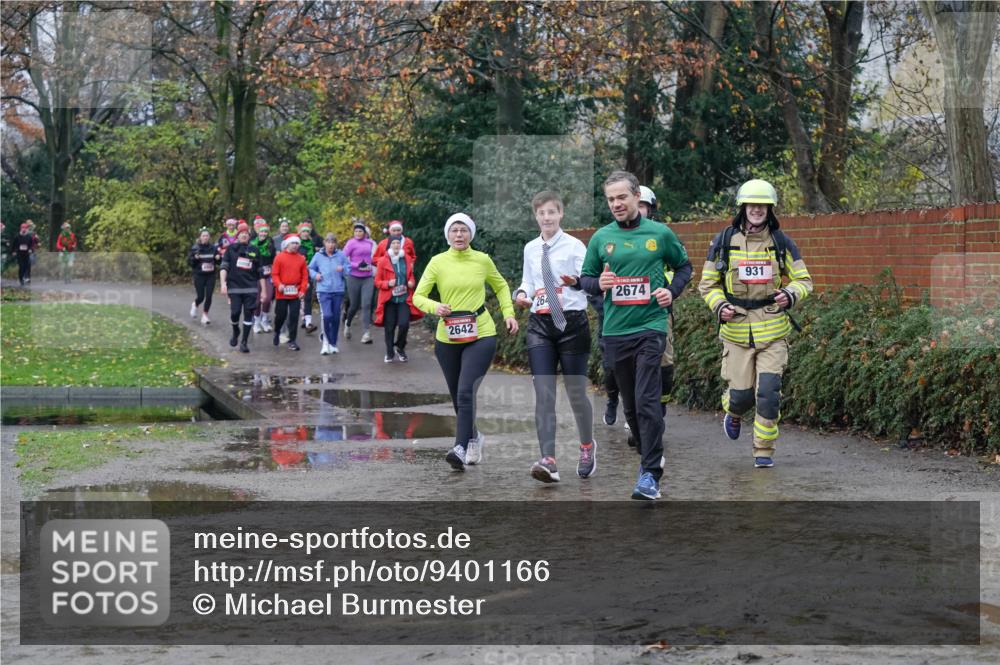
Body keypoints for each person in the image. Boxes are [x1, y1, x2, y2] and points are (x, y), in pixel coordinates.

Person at [579, 170, 692, 500]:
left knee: (646, 401)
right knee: (631, 406)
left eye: (621, 197)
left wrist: (672, 291)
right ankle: (648, 455)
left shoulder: (660, 233)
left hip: (651, 327)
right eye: (610, 199)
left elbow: (685, 267)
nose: (616, 203)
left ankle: (650, 474)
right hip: (616, 331)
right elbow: (586, 279)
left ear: (635, 198)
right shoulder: (601, 238)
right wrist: (597, 284)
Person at [698, 179, 813, 468]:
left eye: (763, 205)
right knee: (741, 397)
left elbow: (804, 280)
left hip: (773, 330)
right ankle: (732, 411)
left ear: (770, 209)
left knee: (768, 394)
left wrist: (790, 294)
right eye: (752, 204)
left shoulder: (781, 243)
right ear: (743, 207)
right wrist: (720, 305)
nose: (757, 210)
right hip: (736, 332)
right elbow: (707, 285)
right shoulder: (723, 241)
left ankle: (763, 450)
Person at [413, 213, 518, 471]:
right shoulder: (438, 262)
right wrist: (435, 307)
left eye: (463, 230)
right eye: (454, 230)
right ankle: (474, 437)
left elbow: (501, 286)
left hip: (480, 332)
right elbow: (418, 296)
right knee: (457, 395)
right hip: (447, 336)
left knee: (465, 391)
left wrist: (509, 314)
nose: (459, 235)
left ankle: (459, 447)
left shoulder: (482, 260)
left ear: (470, 234)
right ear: (448, 235)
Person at [513, 191, 596, 483]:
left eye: (551, 212)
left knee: (575, 394)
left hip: (571, 324)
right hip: (540, 324)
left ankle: (587, 445)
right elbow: (528, 280)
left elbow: (589, 283)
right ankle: (548, 459)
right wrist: (521, 294)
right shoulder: (531, 248)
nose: (546, 218)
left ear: (561, 214)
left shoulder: (575, 247)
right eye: (541, 213)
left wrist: (574, 284)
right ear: (536, 216)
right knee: (544, 394)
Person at [374, 236, 423, 363]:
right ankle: (389, 352)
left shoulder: (406, 258)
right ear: (390, 246)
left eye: (398, 243)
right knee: (389, 327)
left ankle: (400, 348)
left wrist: (412, 282)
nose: (396, 245)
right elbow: (377, 282)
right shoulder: (383, 261)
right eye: (393, 243)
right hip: (389, 299)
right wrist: (388, 284)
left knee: (404, 324)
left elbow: (411, 275)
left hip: (404, 298)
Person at [219, 222, 264, 353]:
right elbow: (224, 267)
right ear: (238, 236)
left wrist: (264, 291)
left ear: (249, 236)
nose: (244, 235)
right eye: (241, 233)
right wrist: (223, 283)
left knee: (248, 314)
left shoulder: (255, 250)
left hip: (251, 287)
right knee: (235, 313)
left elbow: (260, 272)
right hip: (235, 287)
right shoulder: (231, 249)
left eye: (246, 233)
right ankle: (235, 330)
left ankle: (244, 342)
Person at [309, 232, 350, 355]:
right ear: (325, 243)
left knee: (336, 317)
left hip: (338, 290)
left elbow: (349, 269)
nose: (331, 245)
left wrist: (343, 269)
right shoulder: (318, 256)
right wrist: (315, 275)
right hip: (323, 290)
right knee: (326, 316)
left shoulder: (341, 255)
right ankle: (325, 342)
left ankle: (333, 343)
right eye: (328, 242)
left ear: (336, 244)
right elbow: (310, 268)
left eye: (333, 242)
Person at [271, 234, 309, 351]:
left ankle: (292, 340)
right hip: (282, 292)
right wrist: (279, 284)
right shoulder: (279, 257)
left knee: (294, 316)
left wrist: (303, 290)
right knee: (280, 316)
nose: (295, 245)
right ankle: (277, 332)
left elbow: (305, 277)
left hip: (295, 292)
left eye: (297, 243)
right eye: (293, 243)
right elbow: (275, 274)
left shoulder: (301, 258)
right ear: (287, 244)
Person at [342, 220, 376, 344]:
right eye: (356, 231)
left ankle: (366, 332)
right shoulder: (351, 243)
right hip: (354, 277)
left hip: (367, 278)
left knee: (366, 305)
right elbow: (343, 258)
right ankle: (348, 323)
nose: (357, 233)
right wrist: (357, 265)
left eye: (360, 231)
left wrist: (371, 266)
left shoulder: (370, 243)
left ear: (364, 233)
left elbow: (375, 258)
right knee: (354, 305)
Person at [250, 216, 276, 333]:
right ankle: (256, 322)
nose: (264, 233)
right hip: (255, 275)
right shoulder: (252, 244)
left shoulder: (270, 243)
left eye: (266, 231)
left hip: (267, 274)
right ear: (258, 232)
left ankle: (264, 320)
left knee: (267, 298)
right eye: (262, 231)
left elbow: (274, 259)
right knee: (257, 300)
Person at [189, 227, 218, 325]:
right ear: (200, 237)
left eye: (207, 236)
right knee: (201, 296)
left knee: (209, 296)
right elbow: (190, 262)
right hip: (199, 275)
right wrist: (195, 258)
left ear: (209, 237)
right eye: (203, 236)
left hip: (211, 275)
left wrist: (218, 258)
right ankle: (195, 304)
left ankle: (205, 315)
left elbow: (219, 260)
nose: (205, 237)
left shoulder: (213, 248)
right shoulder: (195, 248)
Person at [297, 221, 319, 333]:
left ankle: (308, 323)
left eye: (307, 231)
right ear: (300, 233)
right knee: (298, 299)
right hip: (296, 275)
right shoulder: (296, 244)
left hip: (308, 273)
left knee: (308, 297)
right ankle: (301, 319)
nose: (305, 233)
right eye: (303, 231)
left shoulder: (312, 244)